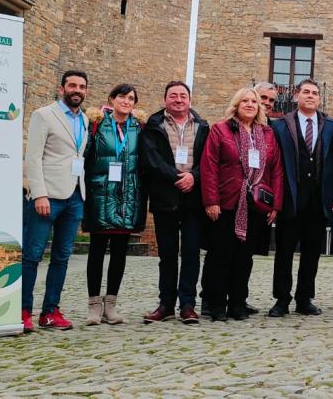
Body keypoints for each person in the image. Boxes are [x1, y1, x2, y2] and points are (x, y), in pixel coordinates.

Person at [201, 87, 283, 321]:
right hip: (226, 203)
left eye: (254, 102)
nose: (250, 104)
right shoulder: (220, 130)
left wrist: (276, 203)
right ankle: (216, 305)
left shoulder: (266, 134)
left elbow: (276, 169)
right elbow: (209, 167)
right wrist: (211, 200)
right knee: (221, 256)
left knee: (244, 257)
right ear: (236, 105)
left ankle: (237, 303)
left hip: (255, 205)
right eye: (244, 101)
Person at [268, 79, 333, 317]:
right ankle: (281, 299)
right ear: (296, 96)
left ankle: (304, 299)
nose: (310, 96)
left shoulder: (332, 126)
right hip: (290, 197)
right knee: (284, 251)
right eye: (306, 92)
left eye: (314, 93)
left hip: (319, 198)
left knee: (312, 252)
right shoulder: (280, 126)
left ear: (319, 99)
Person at [21, 70, 89, 332]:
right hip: (47, 196)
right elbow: (33, 157)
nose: (77, 90)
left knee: (62, 257)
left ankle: (50, 311)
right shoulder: (44, 115)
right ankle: (23, 310)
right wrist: (38, 193)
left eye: (82, 87)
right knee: (33, 254)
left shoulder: (83, 118)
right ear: (62, 88)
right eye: (72, 85)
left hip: (74, 196)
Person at [140, 81, 210, 325]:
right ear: (165, 99)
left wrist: (194, 176)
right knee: (167, 254)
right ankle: (166, 304)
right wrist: (177, 178)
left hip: (193, 198)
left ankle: (188, 305)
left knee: (191, 253)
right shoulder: (154, 125)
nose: (178, 99)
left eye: (183, 95)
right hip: (165, 197)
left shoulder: (202, 126)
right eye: (173, 96)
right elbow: (151, 159)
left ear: (189, 100)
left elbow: (208, 160)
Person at [83, 84, 147, 326]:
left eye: (131, 98)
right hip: (101, 196)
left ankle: (111, 305)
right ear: (112, 99)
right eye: (122, 96)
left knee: (120, 254)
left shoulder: (138, 128)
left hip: (127, 198)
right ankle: (93, 306)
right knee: (96, 252)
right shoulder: (98, 124)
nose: (126, 101)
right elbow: (86, 154)